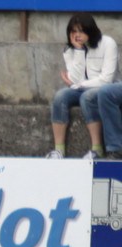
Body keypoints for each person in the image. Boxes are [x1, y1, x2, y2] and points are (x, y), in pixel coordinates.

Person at [46, 13, 118, 160]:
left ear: (90, 30)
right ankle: (59, 150)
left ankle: (97, 149)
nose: (77, 35)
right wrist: (78, 50)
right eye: (73, 31)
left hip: (103, 89)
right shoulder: (70, 50)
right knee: (60, 96)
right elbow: (74, 79)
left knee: (87, 97)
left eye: (81, 31)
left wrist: (80, 85)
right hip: (80, 87)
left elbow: (107, 79)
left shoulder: (107, 43)